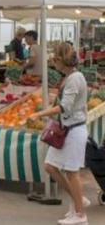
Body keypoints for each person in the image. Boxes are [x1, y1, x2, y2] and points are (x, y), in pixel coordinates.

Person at [29, 43, 89, 225]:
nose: (52, 61)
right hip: (67, 129)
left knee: (72, 172)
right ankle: (78, 200)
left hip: (74, 129)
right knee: (51, 166)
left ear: (61, 61)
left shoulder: (74, 79)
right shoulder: (69, 77)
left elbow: (65, 107)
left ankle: (80, 215)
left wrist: (39, 113)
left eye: (54, 58)